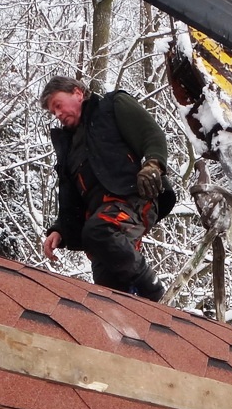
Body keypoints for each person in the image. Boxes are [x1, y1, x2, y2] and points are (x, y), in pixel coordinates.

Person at [39, 76, 175, 301]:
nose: (58, 115)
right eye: (53, 113)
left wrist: (153, 165)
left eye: (58, 105)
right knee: (108, 287)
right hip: (98, 214)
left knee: (100, 231)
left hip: (133, 197)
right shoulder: (70, 149)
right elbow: (71, 200)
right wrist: (60, 230)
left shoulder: (112, 107)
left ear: (77, 93)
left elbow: (151, 133)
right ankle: (137, 321)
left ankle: (153, 290)